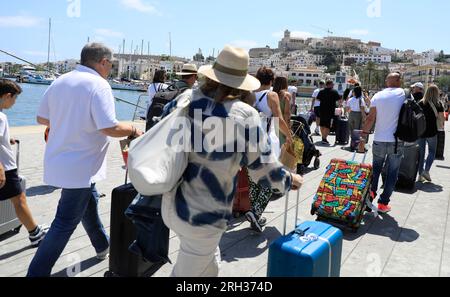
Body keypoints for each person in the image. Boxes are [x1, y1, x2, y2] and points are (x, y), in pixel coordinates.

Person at [161, 45, 304, 277]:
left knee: (209, 265)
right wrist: (292, 179)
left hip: (172, 202)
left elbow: (161, 134)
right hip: (204, 214)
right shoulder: (244, 115)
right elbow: (264, 172)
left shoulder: (185, 99)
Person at [28, 43, 144, 277]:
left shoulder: (60, 80)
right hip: (79, 166)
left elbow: (42, 117)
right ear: (103, 61)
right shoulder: (99, 85)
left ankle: (103, 246)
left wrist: (69, 122)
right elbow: (110, 127)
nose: (111, 69)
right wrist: (133, 128)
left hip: (63, 162)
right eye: (111, 64)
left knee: (89, 202)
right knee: (63, 224)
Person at [0, 79, 48, 247]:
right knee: (19, 200)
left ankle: (34, 230)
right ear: (7, 96)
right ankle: (35, 234)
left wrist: (7, 139)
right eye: (14, 99)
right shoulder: (0, 116)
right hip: (4, 167)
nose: (14, 103)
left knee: (17, 200)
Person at [247, 67, 294, 233]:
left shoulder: (249, 94)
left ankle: (255, 215)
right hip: (266, 142)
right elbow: (279, 119)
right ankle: (256, 212)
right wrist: (289, 136)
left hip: (250, 143)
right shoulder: (271, 95)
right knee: (270, 178)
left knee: (254, 179)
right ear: (271, 80)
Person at [359, 73, 406, 214]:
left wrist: (363, 137)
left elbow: (370, 118)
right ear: (399, 81)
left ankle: (369, 198)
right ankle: (383, 204)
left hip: (379, 139)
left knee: (375, 170)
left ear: (387, 82)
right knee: (392, 173)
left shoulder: (378, 96)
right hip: (396, 141)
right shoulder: (404, 94)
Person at [417, 84, 445, 182]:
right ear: (436, 93)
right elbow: (442, 119)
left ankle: (420, 175)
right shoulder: (439, 104)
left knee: (421, 153)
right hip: (432, 131)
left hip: (420, 131)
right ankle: (426, 170)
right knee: (432, 152)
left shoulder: (420, 103)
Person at [317, 80, 342, 144]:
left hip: (322, 109)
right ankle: (324, 138)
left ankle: (323, 137)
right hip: (330, 111)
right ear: (330, 84)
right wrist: (339, 107)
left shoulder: (321, 91)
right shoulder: (334, 91)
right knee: (328, 125)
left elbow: (318, 99)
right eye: (333, 84)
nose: (333, 85)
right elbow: (339, 100)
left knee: (322, 124)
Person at [273, 76, 292, 146]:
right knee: (282, 146)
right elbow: (286, 114)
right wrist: (288, 129)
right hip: (282, 123)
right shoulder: (286, 95)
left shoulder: (271, 94)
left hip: (273, 123)